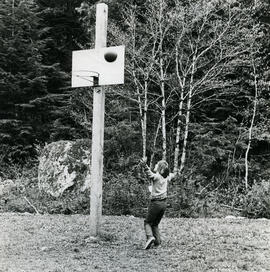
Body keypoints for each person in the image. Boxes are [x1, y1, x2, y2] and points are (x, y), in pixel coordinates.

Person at [141, 157, 178, 250]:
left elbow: (149, 174)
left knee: (147, 222)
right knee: (155, 224)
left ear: (160, 168)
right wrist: (176, 172)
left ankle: (150, 237)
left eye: (157, 164)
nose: (155, 164)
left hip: (155, 203)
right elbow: (172, 175)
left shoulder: (157, 177)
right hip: (164, 204)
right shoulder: (167, 177)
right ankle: (157, 242)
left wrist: (144, 165)